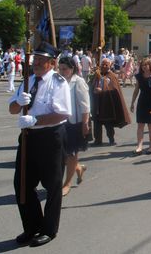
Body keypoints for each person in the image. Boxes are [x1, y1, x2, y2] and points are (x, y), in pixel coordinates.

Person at [8, 42, 71, 247]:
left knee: (52, 185)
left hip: (51, 137)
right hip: (28, 138)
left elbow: (62, 113)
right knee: (22, 184)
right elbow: (12, 109)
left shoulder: (58, 82)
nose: (35, 63)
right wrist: (20, 102)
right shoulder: (28, 81)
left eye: (41, 60)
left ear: (52, 63)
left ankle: (49, 230)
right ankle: (32, 226)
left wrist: (35, 120)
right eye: (35, 59)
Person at [58, 56, 90, 197]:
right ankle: (78, 168)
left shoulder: (79, 82)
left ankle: (67, 183)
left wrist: (85, 123)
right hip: (60, 122)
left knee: (71, 154)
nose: (62, 71)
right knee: (63, 154)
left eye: (65, 69)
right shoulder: (59, 81)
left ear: (72, 69)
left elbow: (85, 105)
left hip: (75, 123)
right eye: (60, 68)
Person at [90, 58, 131, 145]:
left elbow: (113, 88)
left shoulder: (112, 76)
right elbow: (91, 85)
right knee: (97, 123)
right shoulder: (96, 74)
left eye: (106, 65)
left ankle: (111, 139)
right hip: (97, 103)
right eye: (103, 64)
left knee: (108, 124)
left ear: (110, 65)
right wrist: (94, 84)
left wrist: (101, 84)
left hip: (107, 104)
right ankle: (98, 140)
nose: (104, 66)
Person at [130, 58, 151, 155]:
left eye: (146, 65)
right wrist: (132, 103)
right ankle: (139, 146)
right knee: (140, 125)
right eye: (142, 65)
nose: (144, 67)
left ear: (149, 66)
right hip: (142, 102)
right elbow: (136, 90)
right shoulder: (139, 77)